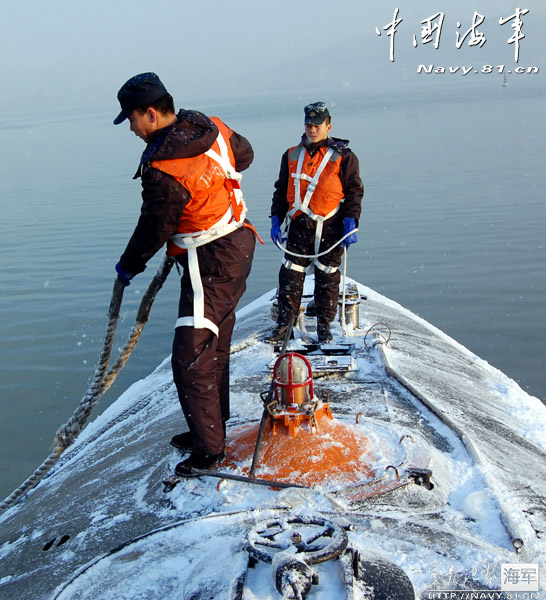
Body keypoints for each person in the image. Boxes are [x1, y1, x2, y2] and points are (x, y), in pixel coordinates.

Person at [113, 72, 257, 474]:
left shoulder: (164, 168)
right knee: (216, 341)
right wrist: (211, 193)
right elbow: (243, 155)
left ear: (152, 114)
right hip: (239, 241)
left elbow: (154, 227)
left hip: (209, 260)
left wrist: (129, 265)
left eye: (132, 119)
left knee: (190, 356)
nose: (131, 128)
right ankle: (213, 425)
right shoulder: (209, 126)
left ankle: (209, 451)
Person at [268, 102, 364, 343]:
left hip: (331, 225)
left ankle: (324, 326)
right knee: (290, 275)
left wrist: (351, 221)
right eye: (309, 125)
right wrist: (276, 218)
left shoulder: (344, 157)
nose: (312, 130)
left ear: (328, 126)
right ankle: (284, 327)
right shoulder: (291, 154)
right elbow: (281, 189)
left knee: (327, 276)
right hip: (299, 224)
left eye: (317, 125)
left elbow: (354, 191)